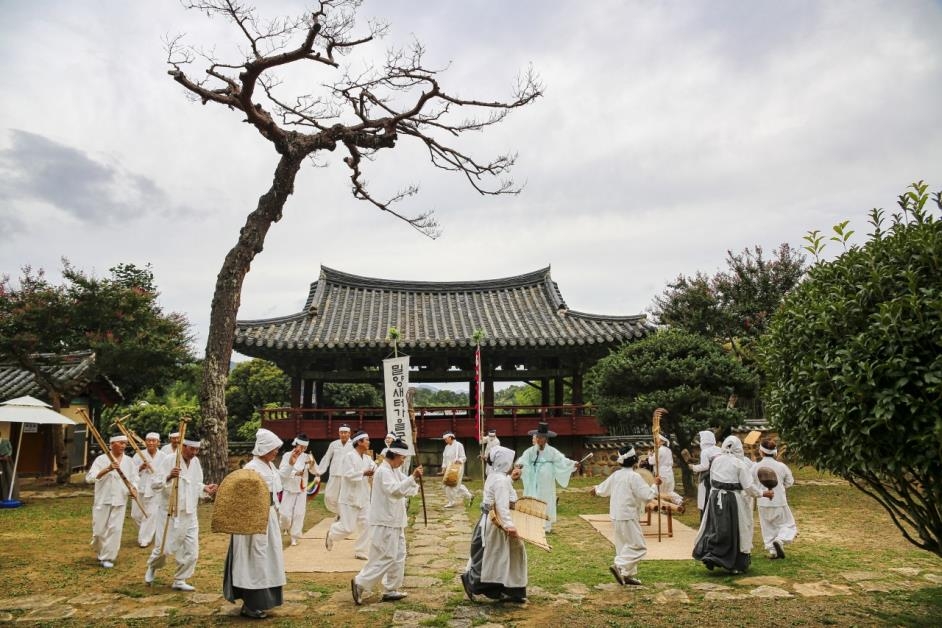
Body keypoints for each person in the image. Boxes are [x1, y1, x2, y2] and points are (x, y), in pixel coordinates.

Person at [350, 439, 423, 605]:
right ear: (395, 455)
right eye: (402, 458)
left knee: (399, 556)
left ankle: (391, 588)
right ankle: (360, 582)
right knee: (386, 556)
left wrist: (414, 481)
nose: (403, 461)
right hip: (384, 521)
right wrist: (413, 477)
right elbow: (395, 491)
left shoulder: (394, 470)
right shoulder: (383, 471)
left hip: (396, 521)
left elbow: (407, 487)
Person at [223, 429, 286, 619]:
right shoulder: (251, 468)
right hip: (252, 523)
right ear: (264, 448)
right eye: (273, 449)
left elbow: (277, 490)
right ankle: (251, 603)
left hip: (269, 517)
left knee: (268, 558)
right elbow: (241, 496)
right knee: (253, 560)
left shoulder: (271, 467)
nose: (276, 452)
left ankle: (264, 601)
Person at [692, 435, 773, 574]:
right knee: (734, 530)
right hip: (732, 500)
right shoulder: (739, 464)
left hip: (715, 498)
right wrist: (763, 493)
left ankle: (712, 554)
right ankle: (732, 563)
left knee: (717, 528)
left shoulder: (716, 461)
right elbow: (748, 487)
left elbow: (712, 480)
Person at [145, 435, 217, 590]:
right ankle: (152, 566)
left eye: (197, 449)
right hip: (170, 512)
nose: (194, 452)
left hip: (190, 512)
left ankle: (180, 579)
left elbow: (195, 483)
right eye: (192, 449)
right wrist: (169, 476)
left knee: (192, 551)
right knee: (163, 549)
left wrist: (205, 488)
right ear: (183, 447)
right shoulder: (169, 460)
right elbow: (154, 484)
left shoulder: (196, 462)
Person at [461, 445, 527, 603]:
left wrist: (512, 478)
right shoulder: (500, 481)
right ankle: (473, 582)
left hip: (491, 522)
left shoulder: (495, 475)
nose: (512, 464)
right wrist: (510, 527)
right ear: (504, 462)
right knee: (494, 558)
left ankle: (510, 590)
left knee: (505, 557)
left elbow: (501, 489)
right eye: (510, 461)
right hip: (496, 525)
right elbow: (502, 507)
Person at [591, 446, 662, 586]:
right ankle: (619, 565)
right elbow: (647, 496)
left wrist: (596, 490)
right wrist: (655, 484)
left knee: (623, 546)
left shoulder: (617, 474)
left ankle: (626, 575)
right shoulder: (634, 477)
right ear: (635, 460)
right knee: (639, 546)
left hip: (616, 514)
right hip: (627, 515)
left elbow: (603, 489)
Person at [85, 434, 139, 568]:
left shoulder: (129, 461)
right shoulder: (101, 459)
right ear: (112, 444)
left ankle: (108, 557)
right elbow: (90, 478)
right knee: (98, 531)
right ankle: (100, 551)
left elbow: (135, 479)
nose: (123, 446)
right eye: (120, 443)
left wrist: (134, 489)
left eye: (125, 444)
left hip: (120, 499)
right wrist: (108, 469)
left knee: (115, 529)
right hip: (103, 499)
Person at [514, 422, 576, 533]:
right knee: (533, 499)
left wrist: (572, 464)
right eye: (537, 437)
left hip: (546, 481)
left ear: (546, 439)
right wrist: (519, 465)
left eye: (541, 438)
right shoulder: (530, 451)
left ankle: (546, 526)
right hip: (533, 481)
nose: (538, 440)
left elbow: (562, 461)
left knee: (546, 500)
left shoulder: (552, 452)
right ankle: (533, 525)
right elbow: (522, 460)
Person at [326, 430, 375, 559]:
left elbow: (374, 469)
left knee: (367, 525)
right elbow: (348, 474)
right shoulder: (349, 456)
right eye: (367, 440)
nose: (369, 442)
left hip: (364, 497)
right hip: (349, 498)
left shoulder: (368, 458)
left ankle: (361, 551)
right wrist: (364, 473)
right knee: (348, 528)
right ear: (359, 442)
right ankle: (331, 533)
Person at [754, 438, 797, 559]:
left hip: (762, 501)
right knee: (788, 525)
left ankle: (773, 551)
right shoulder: (781, 466)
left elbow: (750, 483)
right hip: (779, 501)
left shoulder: (755, 467)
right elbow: (790, 482)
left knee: (767, 527)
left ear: (761, 452)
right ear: (775, 452)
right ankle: (780, 540)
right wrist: (780, 488)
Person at [278, 433, 319, 546]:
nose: (302, 449)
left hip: (302, 488)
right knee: (285, 514)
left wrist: (313, 464)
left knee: (299, 513)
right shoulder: (287, 455)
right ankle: (285, 527)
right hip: (289, 488)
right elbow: (282, 471)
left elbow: (315, 471)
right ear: (296, 445)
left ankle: (294, 536)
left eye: (304, 447)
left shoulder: (307, 457)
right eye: (300, 446)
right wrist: (295, 473)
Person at [131, 432, 167, 547]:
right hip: (140, 487)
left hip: (155, 489)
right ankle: (147, 531)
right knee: (135, 515)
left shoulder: (163, 457)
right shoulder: (138, 455)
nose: (151, 443)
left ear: (158, 443)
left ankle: (145, 539)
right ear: (145, 442)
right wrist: (140, 467)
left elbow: (165, 472)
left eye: (154, 441)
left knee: (150, 514)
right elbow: (131, 472)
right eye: (149, 440)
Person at [318, 424, 353, 514]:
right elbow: (327, 458)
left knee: (346, 497)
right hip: (335, 474)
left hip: (348, 475)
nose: (343, 434)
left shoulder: (354, 444)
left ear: (349, 433)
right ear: (339, 433)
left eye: (345, 432)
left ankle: (343, 515)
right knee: (330, 496)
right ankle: (338, 513)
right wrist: (319, 472)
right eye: (341, 432)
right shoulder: (334, 444)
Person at [689, 430, 722, 519]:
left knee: (705, 500)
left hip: (707, 479)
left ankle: (705, 520)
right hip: (719, 478)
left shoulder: (705, 451)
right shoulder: (719, 449)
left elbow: (705, 466)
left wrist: (693, 467)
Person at [647, 434, 683, 507]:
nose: (655, 441)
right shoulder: (668, 450)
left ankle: (661, 505)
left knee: (656, 490)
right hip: (669, 472)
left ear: (662, 442)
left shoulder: (659, 450)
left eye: (657, 440)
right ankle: (679, 501)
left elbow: (651, 462)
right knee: (668, 491)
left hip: (661, 472)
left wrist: (649, 455)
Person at [441, 431, 473, 508]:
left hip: (457, 468)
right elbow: (444, 458)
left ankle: (451, 501)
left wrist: (459, 460)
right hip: (449, 469)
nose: (445, 440)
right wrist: (443, 468)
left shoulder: (459, 445)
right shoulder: (446, 447)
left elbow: (463, 457)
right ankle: (470, 496)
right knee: (451, 485)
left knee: (451, 485)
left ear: (450, 437)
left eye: (446, 439)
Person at [0, 432, 18, 501]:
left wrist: (7, 456)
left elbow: (10, 450)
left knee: (8, 477)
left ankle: (9, 496)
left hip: (6, 462)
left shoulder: (6, 441)